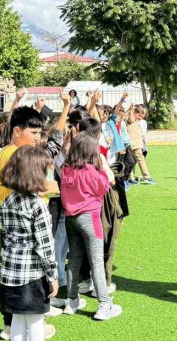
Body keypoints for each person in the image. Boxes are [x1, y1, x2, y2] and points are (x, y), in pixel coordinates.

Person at [0, 146, 60, 340]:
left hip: (9, 270)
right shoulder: (38, 205)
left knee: (17, 318)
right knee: (35, 321)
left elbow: (6, 235)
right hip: (32, 273)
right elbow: (45, 246)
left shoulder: (8, 200)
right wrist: (52, 276)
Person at [61, 133, 123, 321]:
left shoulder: (66, 169)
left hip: (71, 219)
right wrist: (102, 165)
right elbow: (106, 186)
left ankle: (71, 301)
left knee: (73, 260)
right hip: (90, 218)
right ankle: (104, 304)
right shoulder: (91, 171)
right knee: (96, 261)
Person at [127, 105, 155, 184]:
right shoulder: (130, 121)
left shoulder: (142, 122)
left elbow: (144, 135)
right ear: (134, 113)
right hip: (133, 144)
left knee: (133, 161)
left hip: (138, 144)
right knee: (139, 160)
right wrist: (131, 110)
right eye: (139, 115)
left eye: (143, 115)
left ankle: (131, 177)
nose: (141, 117)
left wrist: (145, 145)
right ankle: (146, 177)